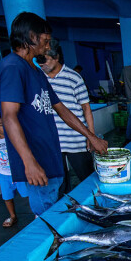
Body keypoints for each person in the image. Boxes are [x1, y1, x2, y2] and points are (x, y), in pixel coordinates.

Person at [0, 12, 107, 216]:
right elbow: (8, 116)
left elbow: (61, 108)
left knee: (56, 208)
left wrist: (91, 136)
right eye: (45, 41)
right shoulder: (13, 67)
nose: (48, 47)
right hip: (36, 159)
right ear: (31, 37)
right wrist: (28, 162)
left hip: (50, 155)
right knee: (47, 217)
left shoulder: (36, 71)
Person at [39, 39, 96, 196]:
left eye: (44, 60)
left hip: (75, 139)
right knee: (60, 182)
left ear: (56, 57)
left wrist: (90, 136)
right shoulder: (39, 79)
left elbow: (86, 108)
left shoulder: (73, 77)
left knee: (87, 178)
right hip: (53, 141)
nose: (41, 64)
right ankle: (65, 214)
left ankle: (95, 206)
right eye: (38, 60)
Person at [0, 112, 28, 228]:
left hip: (19, 173)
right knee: (7, 197)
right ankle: (13, 216)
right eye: (1, 125)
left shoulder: (14, 136)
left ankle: (36, 213)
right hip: (4, 175)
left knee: (28, 194)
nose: (4, 127)